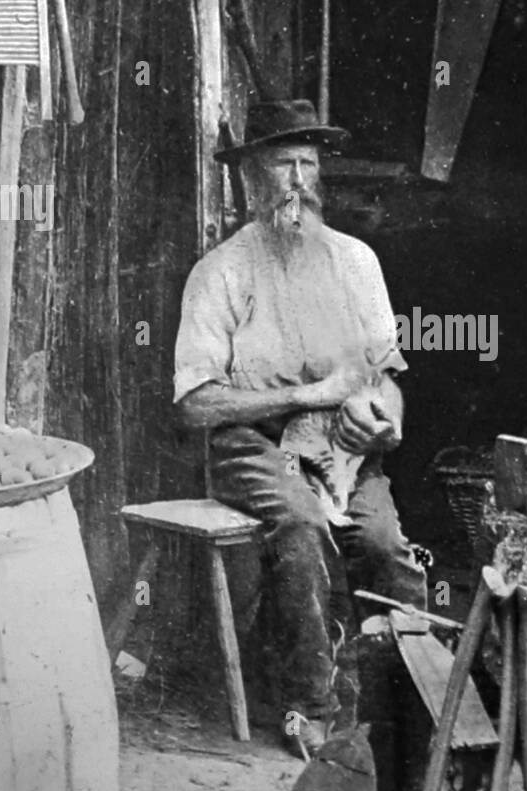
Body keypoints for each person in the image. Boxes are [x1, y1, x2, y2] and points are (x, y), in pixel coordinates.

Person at [173, 99, 426, 757]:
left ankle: (415, 698)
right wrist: (298, 394)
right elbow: (195, 405)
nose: (297, 179)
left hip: (341, 442)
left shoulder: (356, 262)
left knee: (383, 541)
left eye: (307, 163)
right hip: (251, 443)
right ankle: (310, 704)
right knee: (302, 522)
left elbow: (385, 375)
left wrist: (385, 422)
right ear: (251, 178)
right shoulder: (221, 272)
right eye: (281, 163)